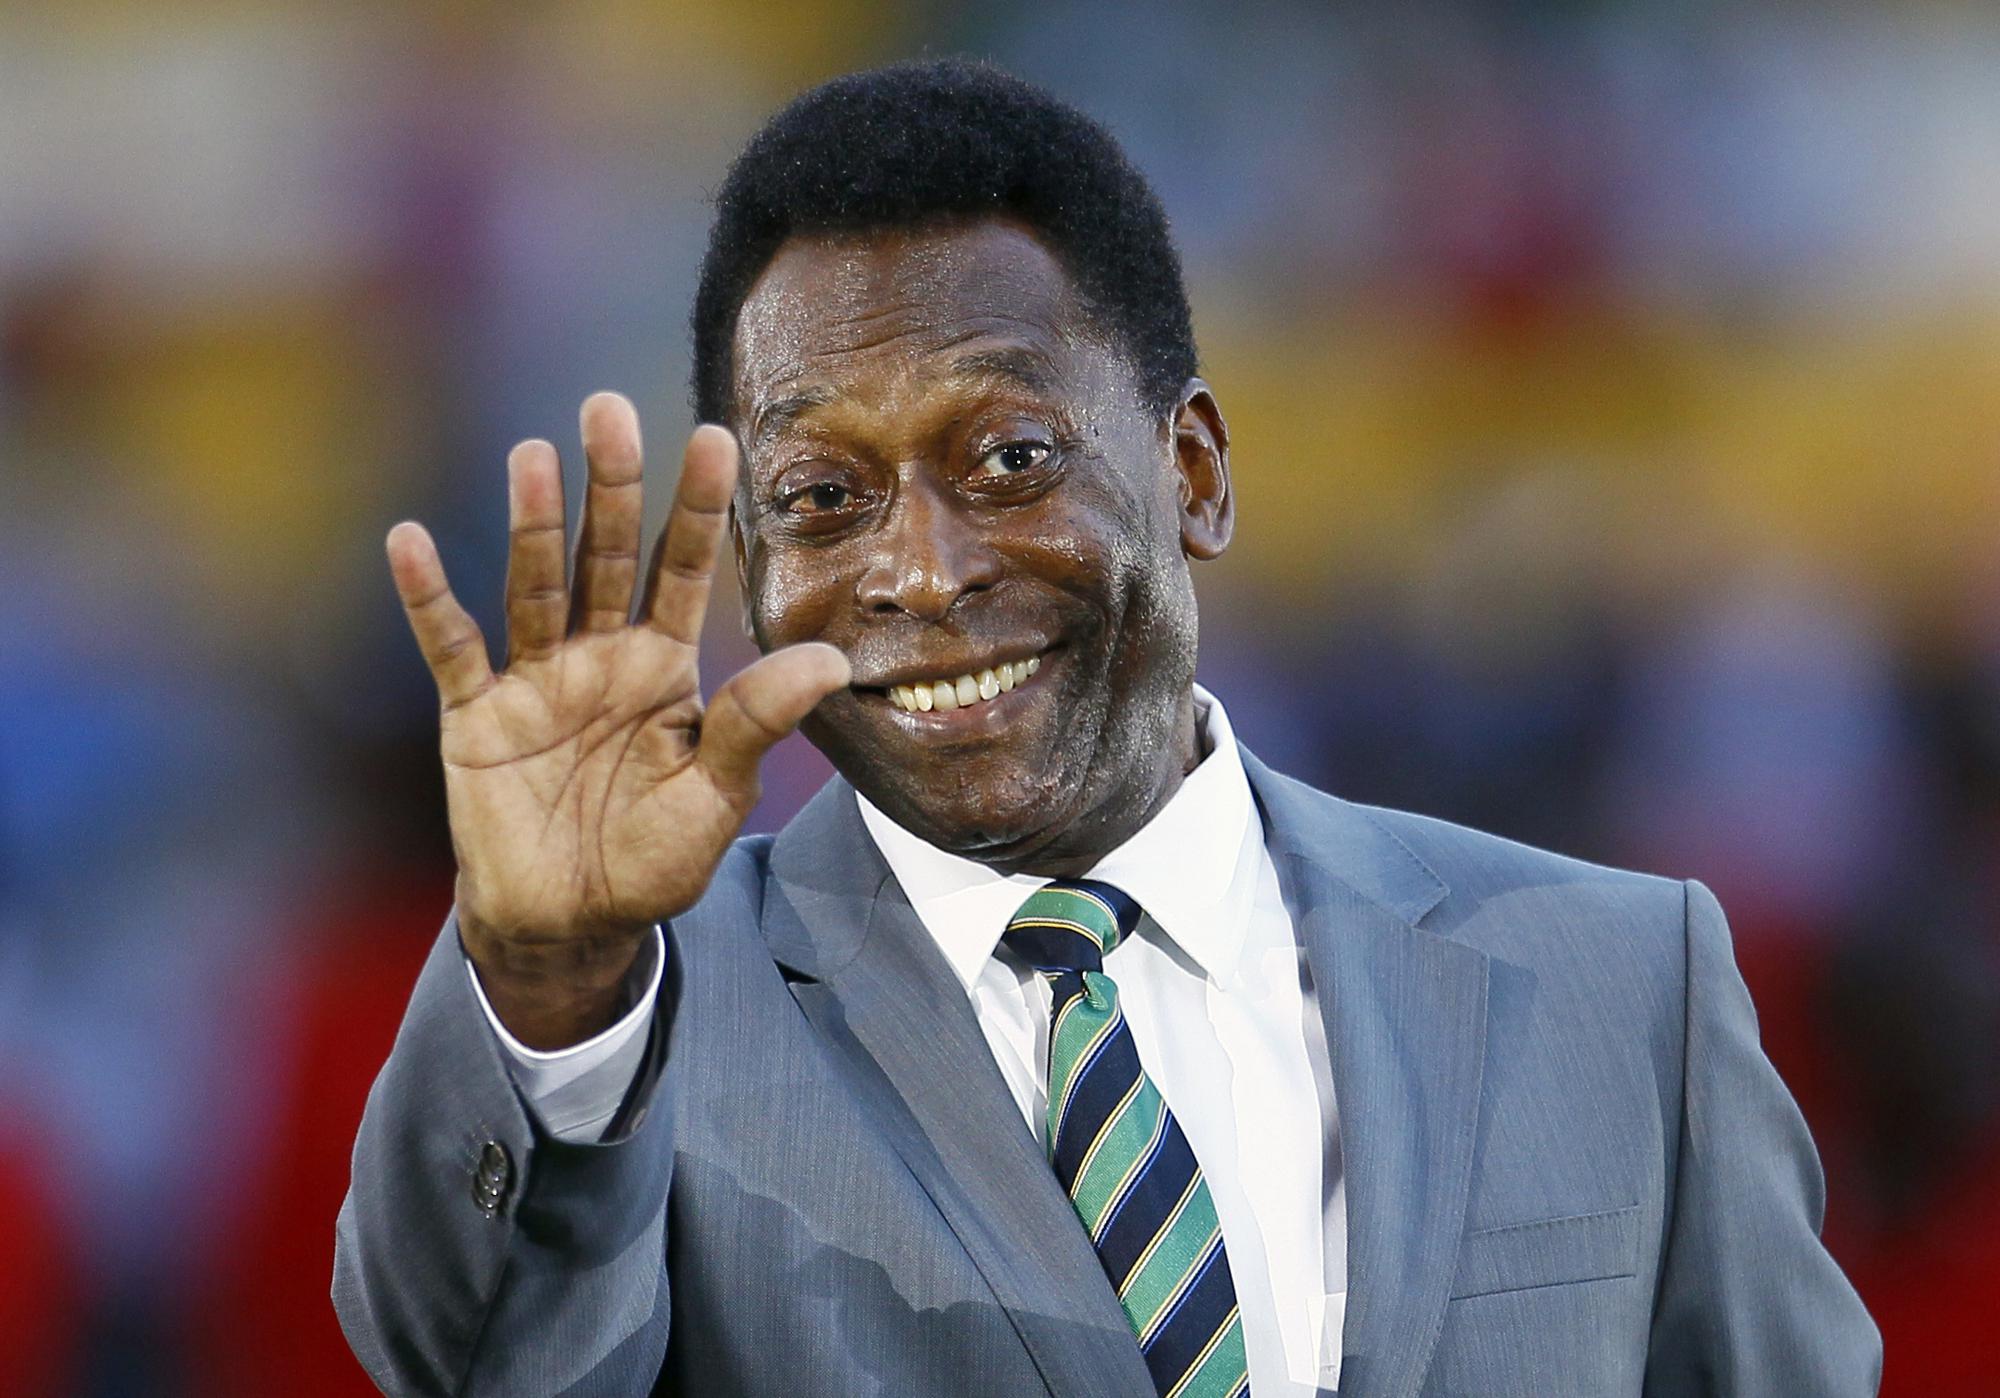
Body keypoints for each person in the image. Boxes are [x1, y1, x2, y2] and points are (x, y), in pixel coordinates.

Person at [333, 59, 1880, 1397]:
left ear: (1194, 472)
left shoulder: (1625, 986)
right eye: (823, 498)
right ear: (753, 565)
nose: (922, 569)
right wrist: (547, 985)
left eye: (1008, 456)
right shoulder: (627, 1045)